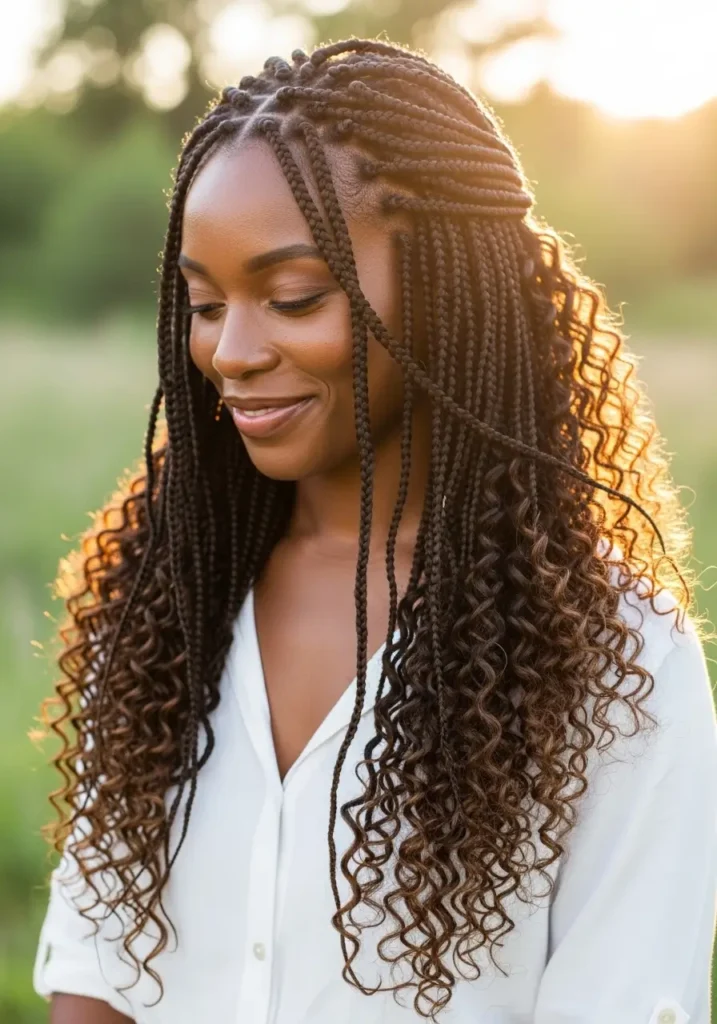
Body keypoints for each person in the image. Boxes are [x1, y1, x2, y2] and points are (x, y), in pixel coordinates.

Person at [32, 37, 716, 1024]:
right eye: (204, 302)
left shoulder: (620, 657)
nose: (231, 351)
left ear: (450, 286)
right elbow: (97, 978)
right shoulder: (169, 592)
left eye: (294, 296)